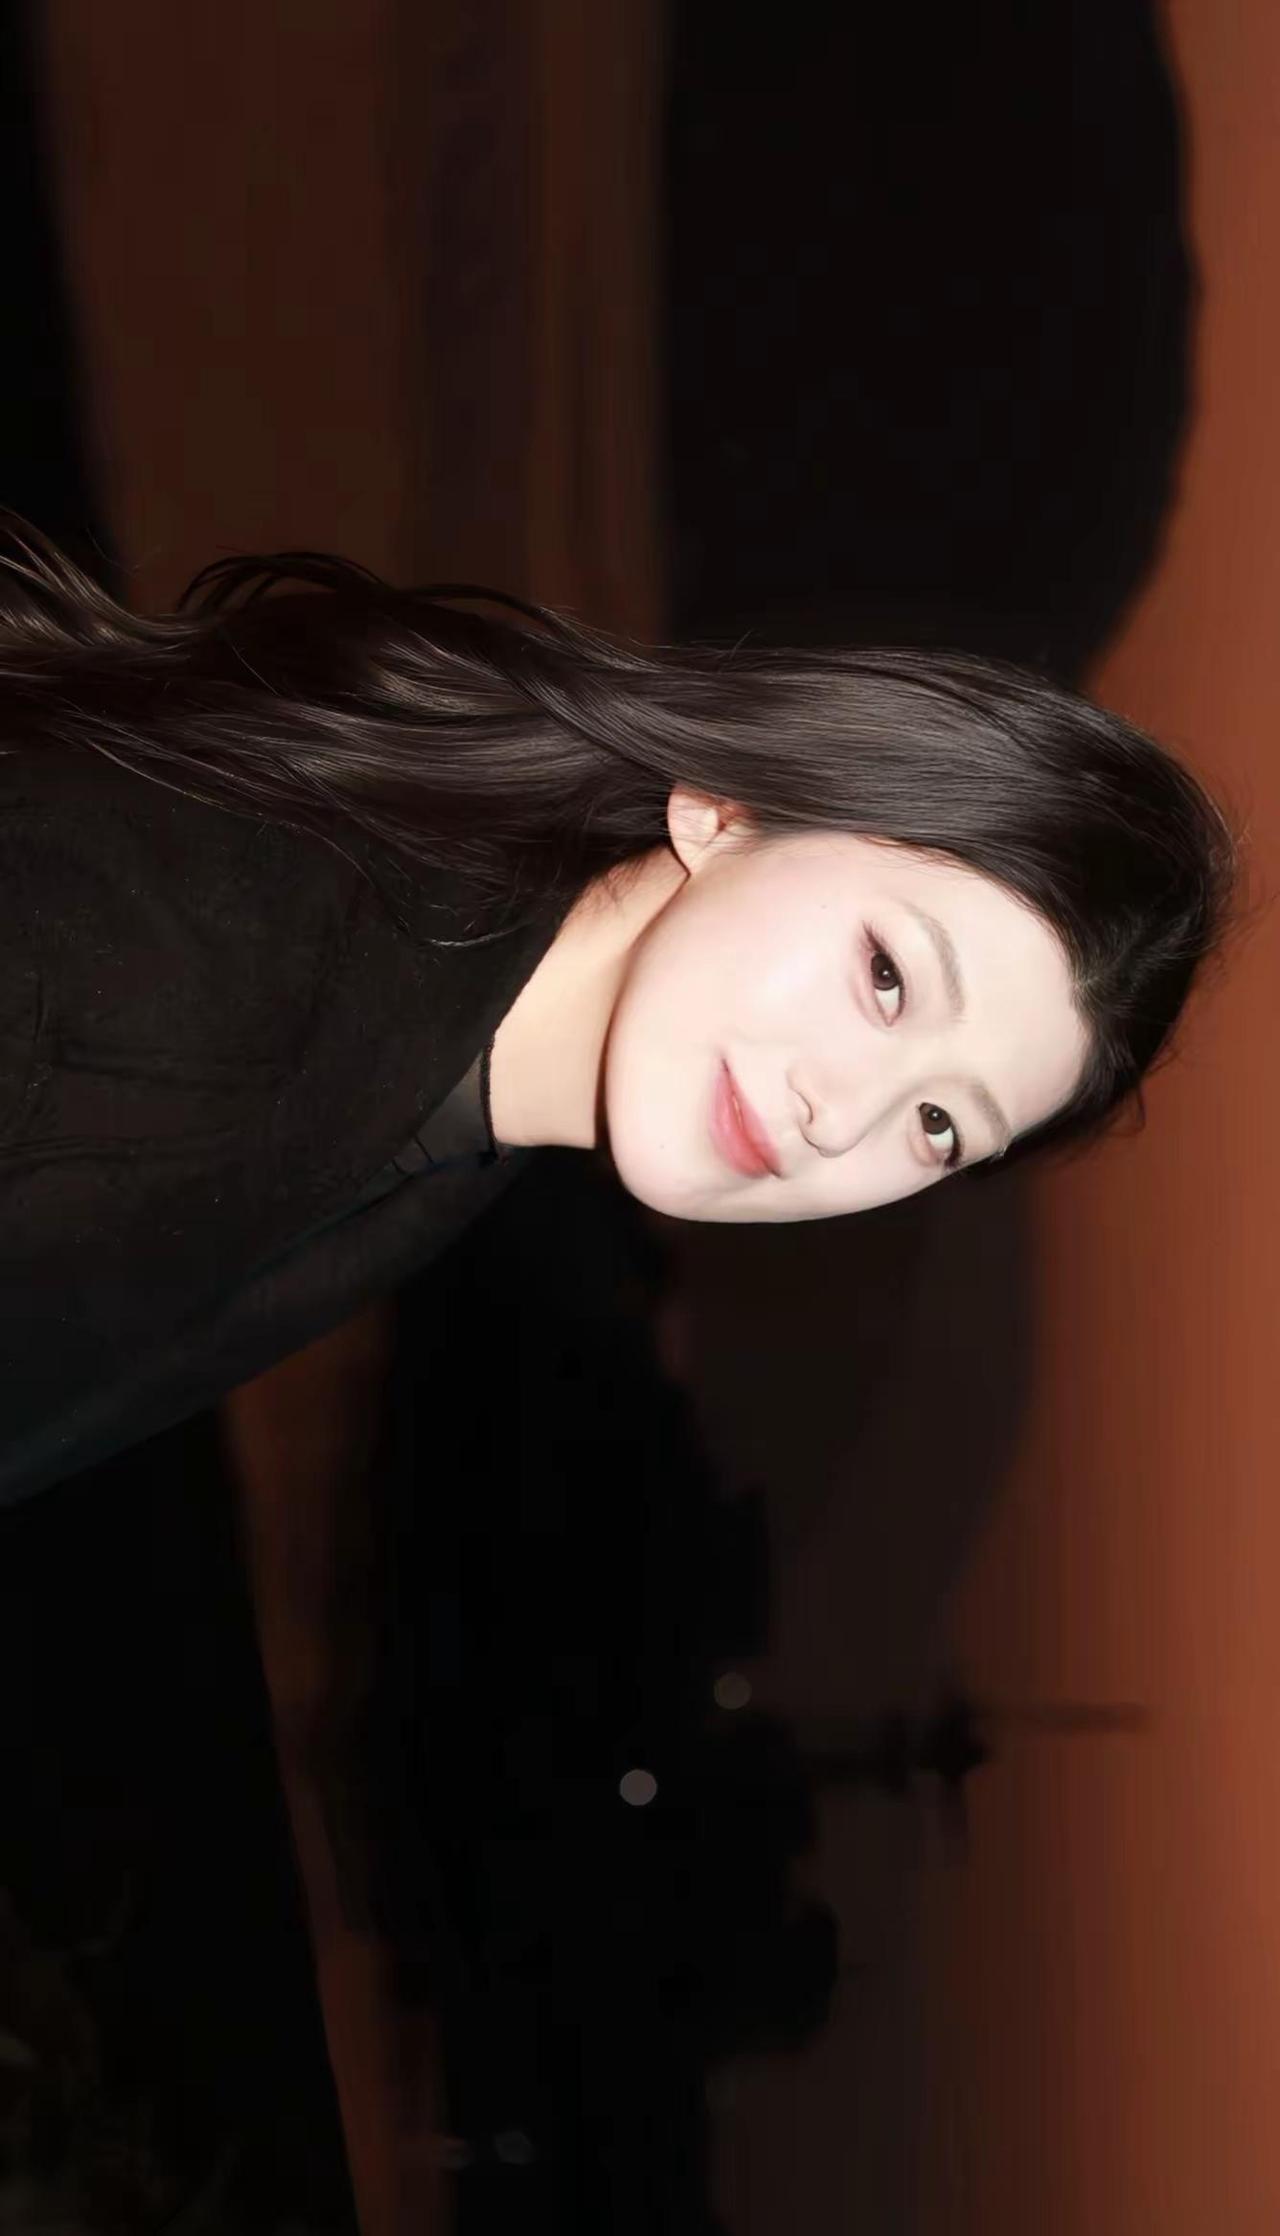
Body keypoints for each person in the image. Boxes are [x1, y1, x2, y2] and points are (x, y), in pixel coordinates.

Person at [0, 519, 1234, 1503]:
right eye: (886, 976)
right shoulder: (202, 956)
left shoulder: (442, 1129)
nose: (840, 1116)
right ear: (731, 804)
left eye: (939, 1125)